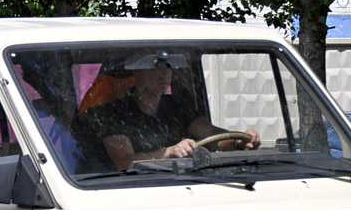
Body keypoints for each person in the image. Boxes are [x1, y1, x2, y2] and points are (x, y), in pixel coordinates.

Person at [81, 57, 260, 171]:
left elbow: (212, 135)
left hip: (185, 183)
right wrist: (169, 152)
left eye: (168, 67)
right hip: (135, 190)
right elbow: (124, 162)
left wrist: (238, 140)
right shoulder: (113, 113)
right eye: (155, 67)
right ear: (137, 72)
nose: (164, 74)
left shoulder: (177, 106)